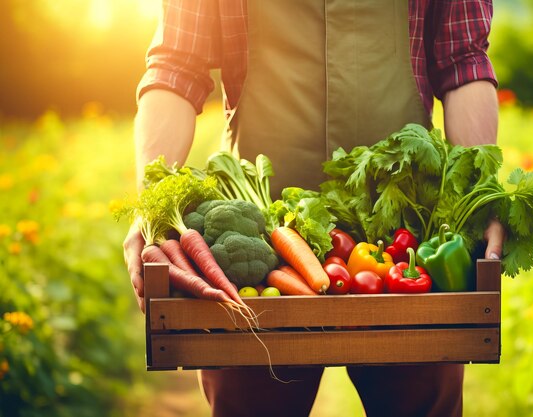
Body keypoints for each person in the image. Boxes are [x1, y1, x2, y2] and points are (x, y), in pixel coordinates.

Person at [124, 1, 505, 416]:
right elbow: (177, 67)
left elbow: (462, 59)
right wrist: (151, 206)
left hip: (405, 233)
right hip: (257, 238)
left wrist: (478, 195)